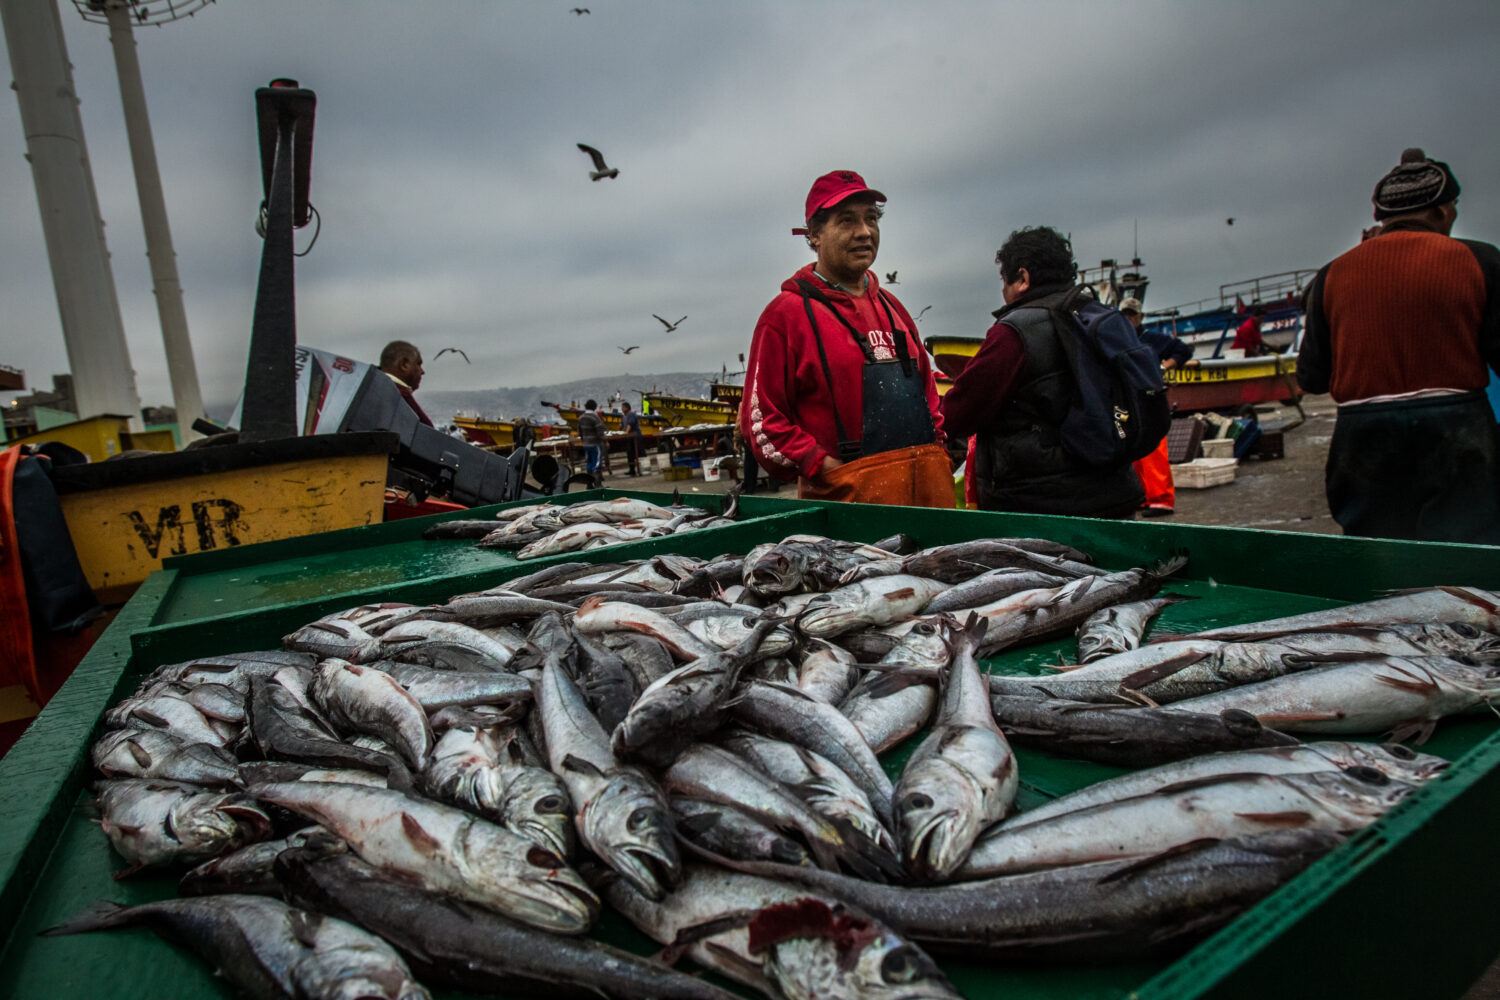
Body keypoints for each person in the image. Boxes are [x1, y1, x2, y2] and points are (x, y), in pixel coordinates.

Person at [1298, 147, 1500, 543]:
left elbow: (1312, 378)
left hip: (1363, 436)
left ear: (1382, 216)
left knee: (1378, 558)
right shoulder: (1480, 260)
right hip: (1457, 429)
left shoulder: (1331, 275)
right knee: (1466, 559)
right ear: (1442, 211)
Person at [740, 169, 952, 507]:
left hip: (925, 500)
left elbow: (929, 399)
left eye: (871, 219)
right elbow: (763, 421)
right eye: (847, 221)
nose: (864, 232)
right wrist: (820, 465)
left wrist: (937, 453)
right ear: (814, 234)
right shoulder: (784, 317)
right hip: (844, 509)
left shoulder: (894, 309)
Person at [941, 226, 1144, 518]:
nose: (1003, 291)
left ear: (1023, 278)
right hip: (1116, 494)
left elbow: (961, 411)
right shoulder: (1101, 318)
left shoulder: (1014, 333)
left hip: (1042, 506)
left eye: (1004, 280)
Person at [1121, 297, 1190, 516]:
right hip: (1128, 400)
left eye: (1132, 315)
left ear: (1140, 317)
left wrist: (1164, 366)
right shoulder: (1118, 337)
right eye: (1125, 315)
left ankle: (1162, 500)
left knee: (1154, 451)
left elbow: (1183, 350)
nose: (1128, 319)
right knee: (1134, 451)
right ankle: (1143, 497)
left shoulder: (1151, 339)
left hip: (1150, 399)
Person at [379, 341, 433, 426]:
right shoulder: (400, 398)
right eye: (418, 364)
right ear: (404, 365)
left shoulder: (374, 390)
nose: (422, 372)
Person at [577, 399, 605, 488]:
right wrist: (604, 441)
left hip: (586, 444)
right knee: (597, 463)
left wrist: (584, 441)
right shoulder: (595, 417)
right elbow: (600, 432)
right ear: (594, 407)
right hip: (595, 444)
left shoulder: (581, 418)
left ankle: (589, 484)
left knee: (589, 463)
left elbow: (580, 432)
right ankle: (597, 484)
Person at [620, 401, 645, 476]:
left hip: (636, 436)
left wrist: (626, 432)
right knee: (630, 453)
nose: (622, 409)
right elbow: (621, 424)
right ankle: (632, 470)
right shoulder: (624, 416)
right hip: (630, 438)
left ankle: (643, 468)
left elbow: (630, 424)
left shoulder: (631, 414)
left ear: (627, 408)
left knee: (640, 452)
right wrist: (619, 429)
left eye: (623, 407)